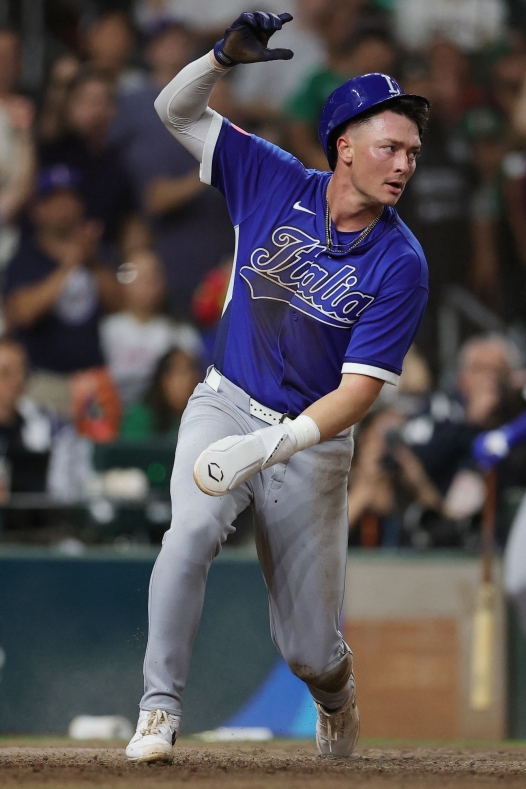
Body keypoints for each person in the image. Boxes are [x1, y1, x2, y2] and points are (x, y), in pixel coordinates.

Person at [125, 11, 429, 763]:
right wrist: (222, 57)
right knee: (189, 531)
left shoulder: (402, 261)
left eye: (413, 152)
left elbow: (359, 392)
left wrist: (277, 444)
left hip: (312, 442)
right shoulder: (269, 176)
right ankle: (158, 710)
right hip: (227, 399)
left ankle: (336, 691)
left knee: (306, 648)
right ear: (344, 146)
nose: (403, 164)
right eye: (390, 146)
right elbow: (175, 110)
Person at [3, 165, 122, 417]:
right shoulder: (25, 259)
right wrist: (71, 264)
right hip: (44, 383)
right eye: (54, 200)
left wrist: (90, 262)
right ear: (37, 210)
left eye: (70, 197)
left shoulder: (97, 257)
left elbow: (121, 304)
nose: (64, 207)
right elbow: (23, 313)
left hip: (93, 382)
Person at [101, 248, 203, 406]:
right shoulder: (107, 330)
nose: (149, 283)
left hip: (164, 422)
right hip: (114, 418)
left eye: (154, 276)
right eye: (140, 277)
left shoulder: (181, 333)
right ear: (123, 283)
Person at [120, 347, 202, 440]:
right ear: (163, 380)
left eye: (192, 372)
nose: (187, 381)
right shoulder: (139, 418)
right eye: (181, 372)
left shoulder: (203, 419)